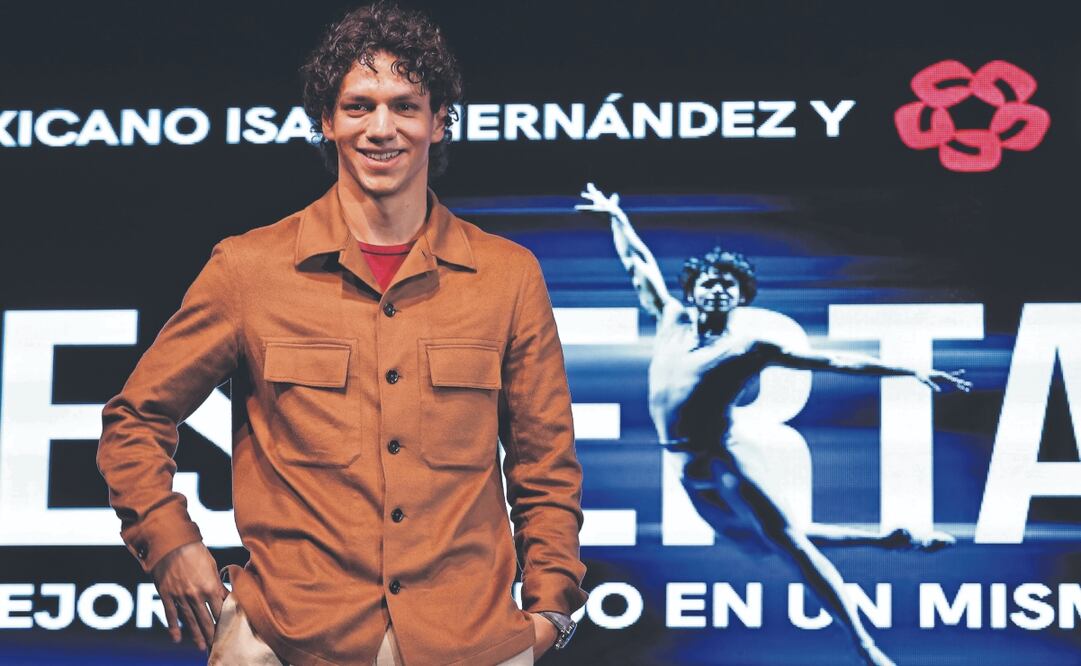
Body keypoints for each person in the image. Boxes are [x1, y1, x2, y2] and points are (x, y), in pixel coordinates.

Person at [95, 3, 589, 664]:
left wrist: (551, 608)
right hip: (288, 637)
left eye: (404, 106)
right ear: (326, 122)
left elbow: (543, 462)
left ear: (438, 123)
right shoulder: (250, 269)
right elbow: (135, 420)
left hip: (465, 641)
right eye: (358, 106)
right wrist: (171, 543)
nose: (380, 129)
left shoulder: (504, 275)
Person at [576, 183, 971, 666]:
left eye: (729, 284)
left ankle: (866, 647)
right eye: (709, 281)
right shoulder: (671, 320)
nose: (717, 288)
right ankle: (890, 538)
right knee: (757, 541)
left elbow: (834, 362)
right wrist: (617, 216)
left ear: (741, 297)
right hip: (682, 463)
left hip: (726, 459)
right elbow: (638, 264)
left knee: (791, 547)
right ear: (694, 290)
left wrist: (909, 370)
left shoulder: (750, 348)